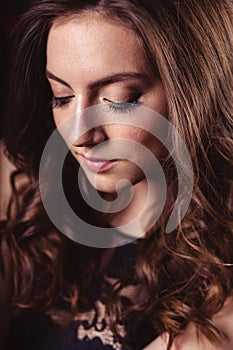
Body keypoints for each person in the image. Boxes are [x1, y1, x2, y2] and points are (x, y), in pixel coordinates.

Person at [0, 0, 232, 349]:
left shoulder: (220, 266)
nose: (79, 136)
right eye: (61, 96)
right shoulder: (25, 189)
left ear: (196, 91)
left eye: (119, 100)